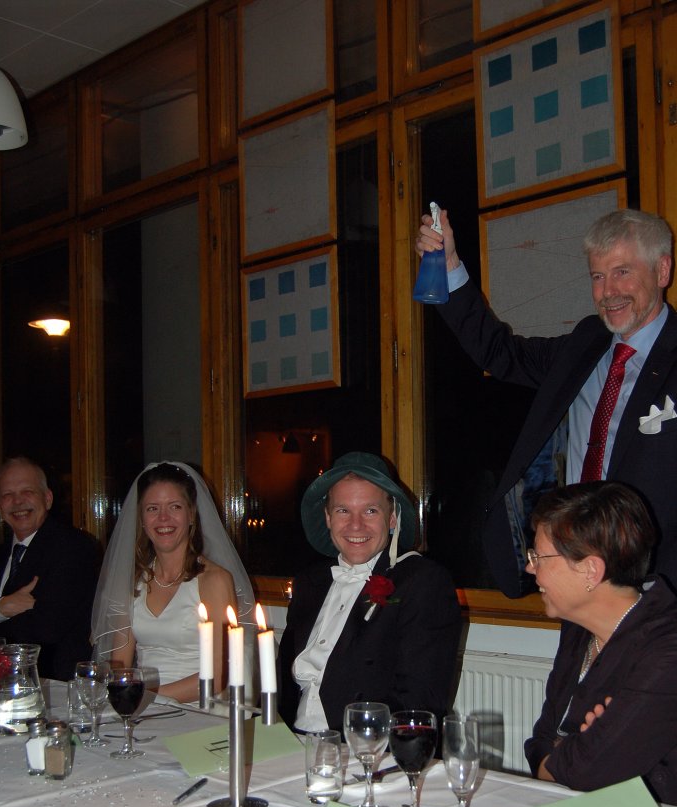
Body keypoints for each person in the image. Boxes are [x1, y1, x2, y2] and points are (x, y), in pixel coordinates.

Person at [415, 207, 677, 597]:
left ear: (662, 270)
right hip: (573, 575)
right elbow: (500, 352)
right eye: (598, 276)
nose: (608, 292)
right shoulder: (585, 344)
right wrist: (449, 264)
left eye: (622, 271)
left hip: (657, 588)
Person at [278, 452, 462, 734]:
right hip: (290, 740)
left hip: (366, 746)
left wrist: (359, 750)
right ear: (327, 518)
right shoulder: (308, 582)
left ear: (392, 518)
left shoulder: (424, 583)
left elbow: (419, 701)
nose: (356, 525)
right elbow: (282, 686)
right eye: (343, 511)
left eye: (370, 511)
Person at [523, 480, 677, 803]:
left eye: (539, 557)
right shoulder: (578, 630)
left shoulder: (667, 649)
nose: (529, 567)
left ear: (590, 570)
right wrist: (579, 746)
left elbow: (588, 771)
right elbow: (539, 742)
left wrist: (571, 752)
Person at [91, 462, 255, 702]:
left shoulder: (215, 580)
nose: (163, 518)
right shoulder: (132, 581)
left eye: (174, 507)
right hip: (140, 705)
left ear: (191, 515)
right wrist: (130, 697)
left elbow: (218, 675)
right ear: (141, 518)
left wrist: (147, 698)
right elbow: (119, 664)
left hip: (199, 707)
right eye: (152, 508)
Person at [0, 457, 99, 681]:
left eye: (27, 491)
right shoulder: (0, 554)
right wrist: (2, 608)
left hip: (54, 685)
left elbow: (48, 628)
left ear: (48, 499)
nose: (17, 501)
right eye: (7, 495)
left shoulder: (73, 547)